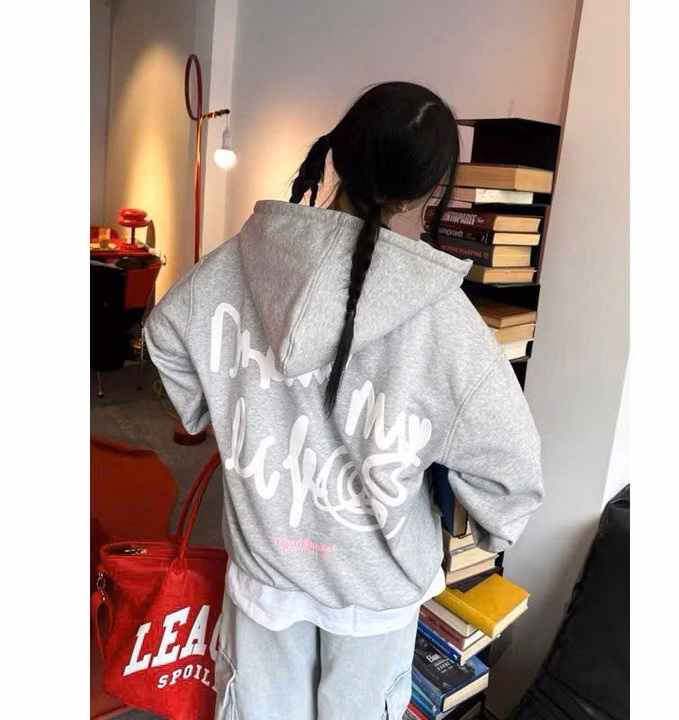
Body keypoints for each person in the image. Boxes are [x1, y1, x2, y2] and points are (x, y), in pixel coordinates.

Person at [144, 81, 543, 720]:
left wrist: (211, 410)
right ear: (432, 190)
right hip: (375, 587)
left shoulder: (239, 261)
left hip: (265, 567)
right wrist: (490, 524)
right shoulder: (445, 319)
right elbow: (512, 466)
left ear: (338, 154)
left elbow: (165, 331)